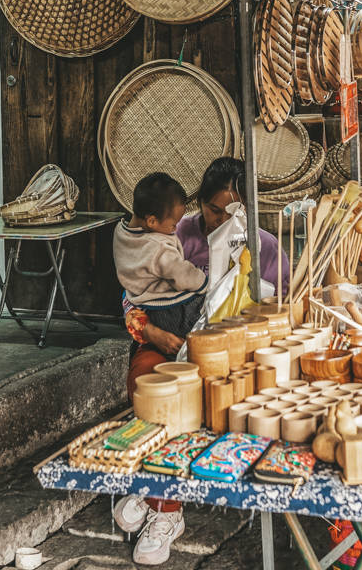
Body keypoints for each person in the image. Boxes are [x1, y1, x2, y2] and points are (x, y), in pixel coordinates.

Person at [113, 172, 206, 564]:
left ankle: (165, 508)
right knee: (150, 393)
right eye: (213, 207)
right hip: (166, 324)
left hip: (202, 340)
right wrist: (149, 332)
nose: (215, 216)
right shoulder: (167, 239)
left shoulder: (126, 230)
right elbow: (128, 304)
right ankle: (155, 493)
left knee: (186, 407)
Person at [176, 157, 291, 294]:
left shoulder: (266, 246)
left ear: (247, 208)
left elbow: (279, 301)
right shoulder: (178, 235)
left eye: (234, 212)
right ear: (200, 202)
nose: (223, 220)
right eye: (215, 210)